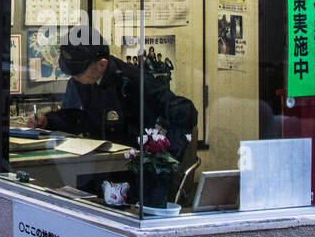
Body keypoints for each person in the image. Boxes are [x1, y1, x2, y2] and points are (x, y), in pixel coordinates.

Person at [25, 30, 196, 154]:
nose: (74, 78)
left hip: (131, 164)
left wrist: (162, 149)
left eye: (78, 72)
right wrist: (48, 121)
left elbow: (183, 110)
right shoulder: (81, 81)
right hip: (98, 159)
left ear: (102, 64)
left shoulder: (132, 80)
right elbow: (76, 118)